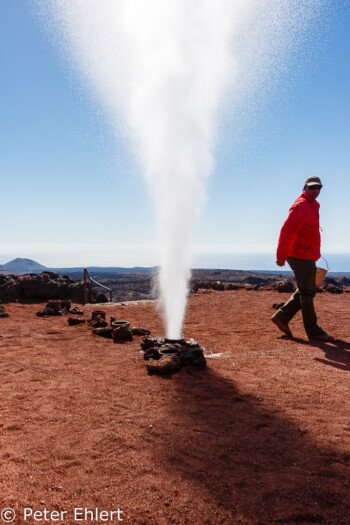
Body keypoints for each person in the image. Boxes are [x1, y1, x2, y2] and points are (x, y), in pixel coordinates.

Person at [271, 176, 334, 342]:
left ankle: (282, 317)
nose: (316, 190)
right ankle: (313, 331)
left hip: (306, 254)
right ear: (305, 187)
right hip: (300, 255)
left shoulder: (312, 205)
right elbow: (287, 231)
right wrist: (280, 255)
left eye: (318, 187)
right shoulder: (301, 205)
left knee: (305, 289)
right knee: (308, 292)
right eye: (312, 187)